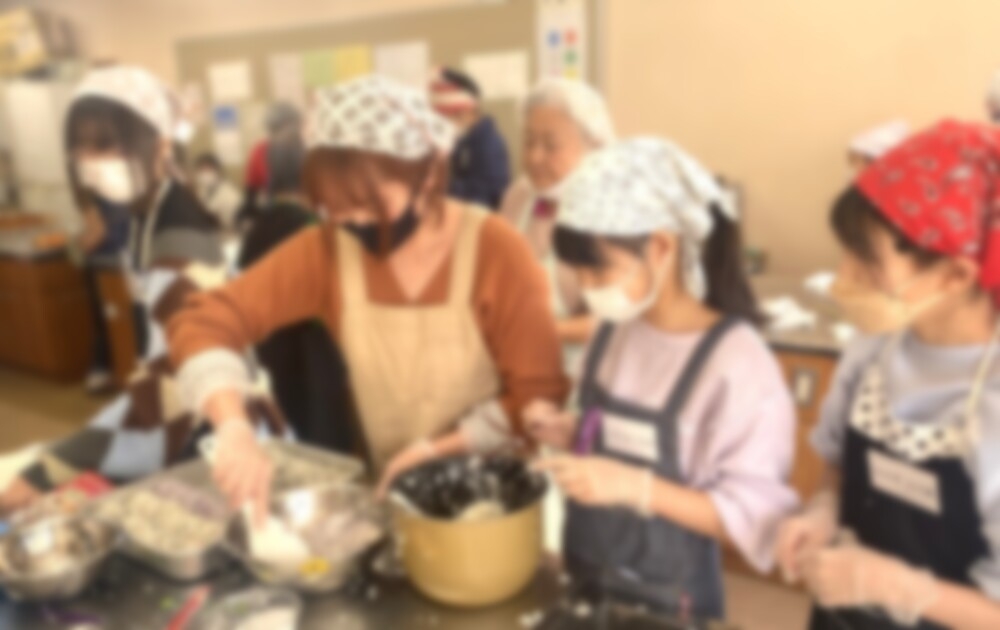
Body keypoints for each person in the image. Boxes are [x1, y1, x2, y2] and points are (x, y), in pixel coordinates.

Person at [168, 75, 568, 517]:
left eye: (370, 205)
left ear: (428, 173)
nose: (354, 222)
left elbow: (539, 398)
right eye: (336, 208)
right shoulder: (328, 250)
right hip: (394, 499)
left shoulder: (496, 250)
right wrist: (232, 425)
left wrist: (439, 449)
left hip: (496, 504)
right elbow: (203, 320)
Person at [526, 138, 798, 619]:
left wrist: (638, 489)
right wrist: (572, 430)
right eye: (578, 272)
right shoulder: (612, 331)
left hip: (672, 601)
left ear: (660, 247)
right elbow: (605, 433)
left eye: (599, 271)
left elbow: (753, 517)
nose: (587, 288)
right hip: (587, 570)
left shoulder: (736, 363)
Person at [0, 66, 284, 515]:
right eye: (81, 145)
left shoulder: (179, 239)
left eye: (105, 144)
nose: (89, 159)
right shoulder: (144, 213)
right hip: (199, 423)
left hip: (218, 439)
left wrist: (49, 468)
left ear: (162, 145)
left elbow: (166, 396)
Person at [776, 120, 1000, 630]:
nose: (843, 277)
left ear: (955, 274)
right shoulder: (874, 346)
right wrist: (824, 507)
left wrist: (901, 589)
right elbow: (838, 462)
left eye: (866, 262)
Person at [237, 130, 357, 454]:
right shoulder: (311, 229)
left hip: (268, 353)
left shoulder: (260, 224)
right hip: (312, 360)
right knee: (324, 450)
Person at [499, 78, 616, 378]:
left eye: (550, 146)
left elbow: (618, 323)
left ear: (591, 145)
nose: (534, 157)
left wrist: (544, 329)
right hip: (517, 365)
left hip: (583, 374)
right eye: (528, 142)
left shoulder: (608, 209)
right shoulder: (518, 196)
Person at [429, 67, 511, 210]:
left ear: (470, 111)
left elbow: (486, 199)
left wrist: (444, 185)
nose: (450, 123)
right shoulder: (464, 142)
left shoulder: (489, 146)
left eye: (455, 116)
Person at [78, 196, 130, 394]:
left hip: (104, 269)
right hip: (119, 268)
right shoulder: (124, 199)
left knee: (105, 323)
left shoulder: (97, 201)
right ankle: (115, 373)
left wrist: (78, 244)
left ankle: (101, 373)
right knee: (118, 323)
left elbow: (96, 235)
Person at [238, 102, 303, 226]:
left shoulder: (306, 151)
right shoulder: (260, 150)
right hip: (274, 210)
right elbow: (251, 192)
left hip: (302, 210)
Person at [193, 152, 242, 230]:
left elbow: (232, 223)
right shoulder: (202, 189)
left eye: (207, 170)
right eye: (201, 170)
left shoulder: (229, 194)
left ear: (217, 171)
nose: (204, 174)